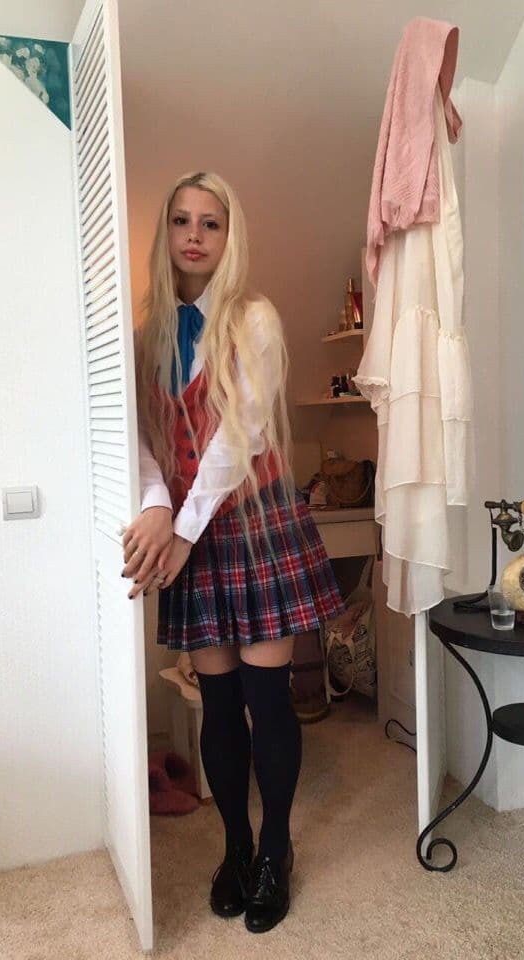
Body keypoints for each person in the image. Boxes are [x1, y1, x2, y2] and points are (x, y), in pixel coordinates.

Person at [120, 171, 344, 934]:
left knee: (265, 698)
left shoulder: (255, 319)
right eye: (182, 220)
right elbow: (142, 440)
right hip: (192, 532)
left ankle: (276, 849)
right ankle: (236, 848)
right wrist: (157, 507)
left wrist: (180, 532)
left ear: (229, 235)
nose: (194, 235)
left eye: (210, 223)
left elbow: (240, 436)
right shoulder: (146, 334)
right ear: (166, 232)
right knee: (216, 704)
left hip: (252, 524)